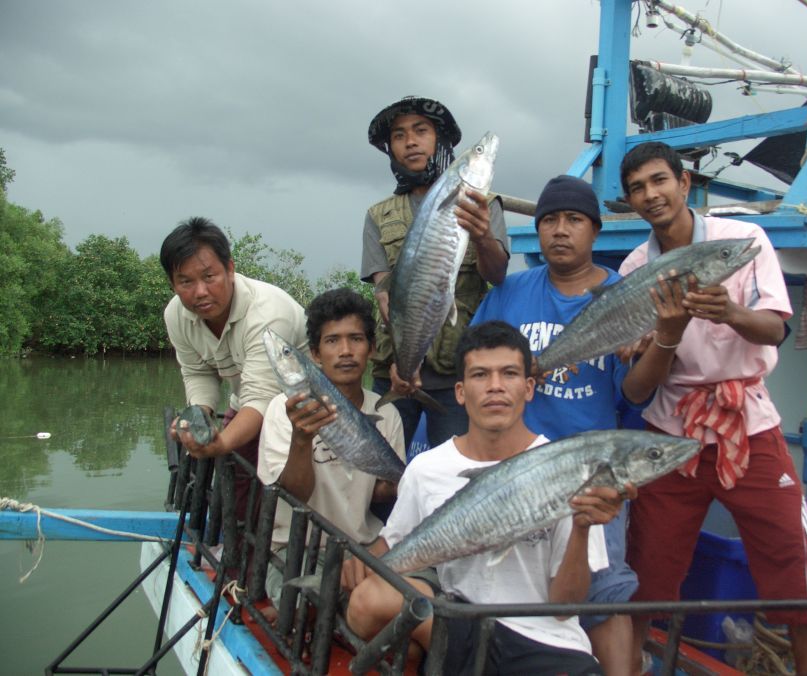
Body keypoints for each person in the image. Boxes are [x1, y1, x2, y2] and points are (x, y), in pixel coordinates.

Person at [618, 141, 807, 675]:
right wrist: (664, 335)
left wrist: (732, 312)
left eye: (659, 180)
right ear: (630, 200)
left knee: (791, 557)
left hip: (748, 423)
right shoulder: (636, 267)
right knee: (649, 567)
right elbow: (637, 391)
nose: (651, 194)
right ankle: (634, 667)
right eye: (638, 188)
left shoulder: (744, 239)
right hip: (669, 430)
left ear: (684, 183)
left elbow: (775, 327)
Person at [470, 175, 681, 676]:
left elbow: (634, 394)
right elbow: (477, 372)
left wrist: (665, 339)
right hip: (515, 472)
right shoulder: (511, 291)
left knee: (605, 593)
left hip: (594, 473)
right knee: (503, 584)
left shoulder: (627, 294)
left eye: (573, 219)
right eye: (548, 220)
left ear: (595, 229)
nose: (559, 230)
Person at [343, 320, 633, 675]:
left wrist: (583, 528)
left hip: (547, 642)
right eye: (481, 375)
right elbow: (393, 549)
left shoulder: (571, 471)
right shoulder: (427, 469)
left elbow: (564, 607)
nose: (495, 387)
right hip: (461, 626)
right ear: (461, 391)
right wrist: (351, 572)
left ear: (528, 388)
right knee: (368, 601)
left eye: (509, 373)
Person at [361, 95, 509, 453]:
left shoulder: (486, 205)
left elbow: (498, 274)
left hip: (456, 371)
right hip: (394, 370)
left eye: (421, 131)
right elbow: (384, 290)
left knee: (455, 474)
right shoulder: (378, 215)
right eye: (399, 135)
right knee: (379, 475)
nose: (410, 141)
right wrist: (402, 362)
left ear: (440, 140)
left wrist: (483, 235)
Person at [256, 288, 405, 600]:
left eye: (356, 339)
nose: (346, 351)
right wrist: (301, 439)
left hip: (363, 547)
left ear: (372, 348)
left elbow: (377, 489)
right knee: (304, 605)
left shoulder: (385, 413)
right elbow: (294, 495)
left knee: (401, 606)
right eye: (332, 340)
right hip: (296, 549)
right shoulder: (282, 411)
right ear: (314, 353)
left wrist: (402, 486)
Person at [160, 216, 308, 519]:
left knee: (282, 495)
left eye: (209, 276)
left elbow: (261, 398)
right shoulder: (176, 314)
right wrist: (197, 417)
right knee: (237, 490)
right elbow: (197, 372)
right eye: (185, 282)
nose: (199, 291)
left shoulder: (267, 313)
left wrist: (221, 442)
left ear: (230, 269)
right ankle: (238, 556)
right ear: (173, 284)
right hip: (249, 403)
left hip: (303, 407)